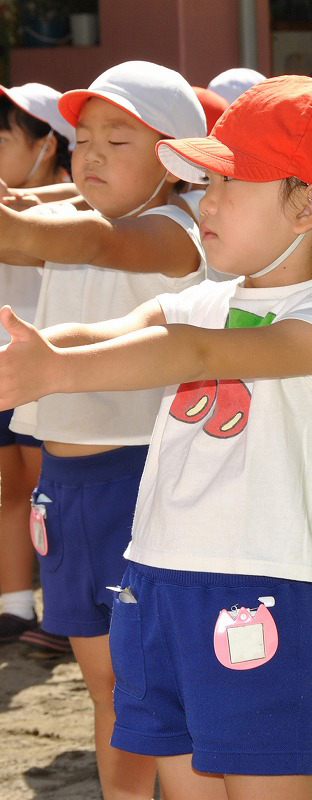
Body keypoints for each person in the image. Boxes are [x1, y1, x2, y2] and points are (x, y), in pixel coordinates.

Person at [0, 74, 312, 800]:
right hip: (151, 577)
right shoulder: (210, 296)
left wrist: (54, 370)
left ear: (309, 202)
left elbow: (194, 353)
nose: (205, 202)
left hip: (250, 593)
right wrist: (37, 355)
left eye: (226, 183)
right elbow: (121, 331)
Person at [0, 60, 208, 799]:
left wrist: (20, 221)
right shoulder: (88, 215)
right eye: (82, 135)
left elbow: (95, 245)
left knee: (150, 687)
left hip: (139, 480)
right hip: (67, 487)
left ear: (178, 157)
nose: (87, 152)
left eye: (116, 139)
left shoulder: (175, 231)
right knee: (106, 689)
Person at [0, 82, 74, 650]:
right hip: (11, 363)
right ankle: (16, 605)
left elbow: (22, 242)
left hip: (53, 365)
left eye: (3, 139)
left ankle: (64, 613)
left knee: (53, 490)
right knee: (14, 487)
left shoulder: (74, 212)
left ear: (48, 145)